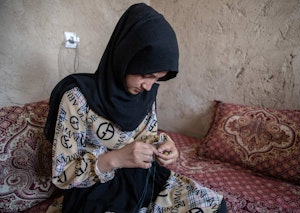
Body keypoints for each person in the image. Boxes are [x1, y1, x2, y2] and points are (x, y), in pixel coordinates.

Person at [44, 3, 226, 213]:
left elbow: (145, 137)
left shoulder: (145, 94)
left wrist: (163, 146)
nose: (148, 86)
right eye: (145, 75)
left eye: (157, 78)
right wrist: (115, 158)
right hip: (94, 191)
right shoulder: (77, 97)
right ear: (124, 57)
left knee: (215, 207)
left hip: (140, 178)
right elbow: (62, 174)